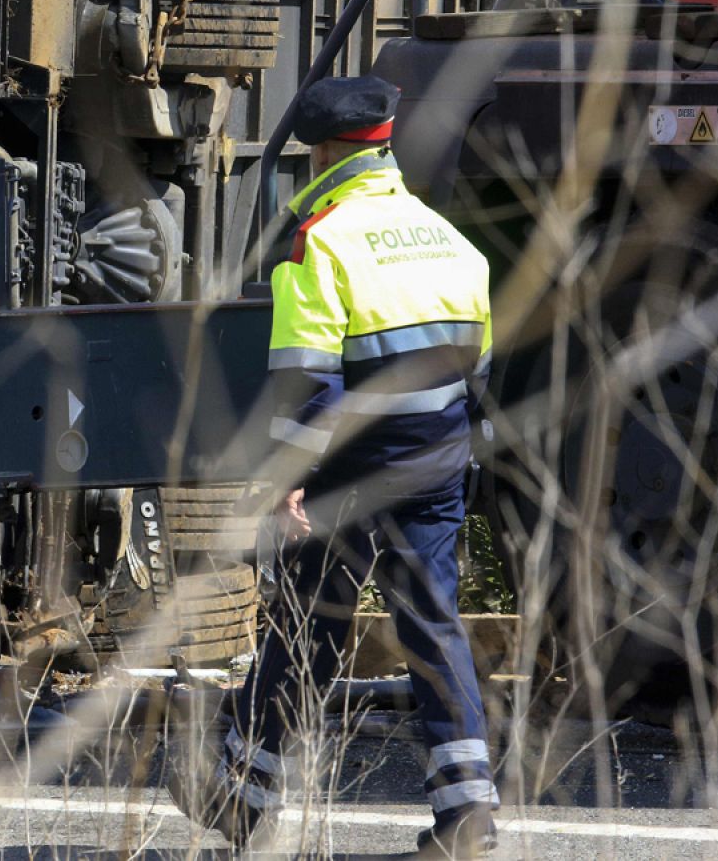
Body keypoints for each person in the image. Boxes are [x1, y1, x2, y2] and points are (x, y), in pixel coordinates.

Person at [168, 75, 498, 858]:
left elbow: (308, 384)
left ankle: (243, 796)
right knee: (431, 622)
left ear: (320, 153)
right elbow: (478, 361)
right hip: (440, 450)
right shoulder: (443, 235)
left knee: (308, 620)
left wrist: (286, 474)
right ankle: (469, 812)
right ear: (383, 142)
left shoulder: (323, 239)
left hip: (353, 461)